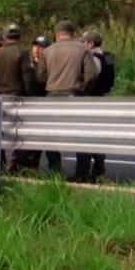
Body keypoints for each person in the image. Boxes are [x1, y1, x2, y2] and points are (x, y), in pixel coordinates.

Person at [36, 20, 99, 176]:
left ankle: (55, 170)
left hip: (52, 96)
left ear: (57, 35)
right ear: (72, 33)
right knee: (80, 134)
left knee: (51, 135)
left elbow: (40, 76)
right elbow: (91, 75)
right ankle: (82, 173)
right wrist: (83, 89)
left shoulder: (47, 51)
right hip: (75, 96)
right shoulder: (83, 49)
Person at [0, 23, 32, 171]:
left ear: (4, 37)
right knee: (18, 130)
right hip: (17, 96)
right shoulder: (22, 52)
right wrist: (29, 95)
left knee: (0, 130)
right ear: (20, 37)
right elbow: (27, 76)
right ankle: (14, 163)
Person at [72, 30, 115, 182]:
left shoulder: (93, 58)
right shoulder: (106, 56)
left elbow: (90, 78)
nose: (81, 44)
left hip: (90, 100)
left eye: (83, 42)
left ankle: (82, 173)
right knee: (96, 135)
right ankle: (98, 168)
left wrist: (80, 89)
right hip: (101, 100)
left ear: (90, 43)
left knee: (85, 135)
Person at [21, 34, 62, 171]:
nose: (37, 49)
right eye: (35, 45)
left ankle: (54, 168)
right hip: (30, 105)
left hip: (47, 104)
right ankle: (29, 167)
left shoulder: (52, 65)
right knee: (31, 139)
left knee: (50, 137)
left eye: (41, 46)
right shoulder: (28, 63)